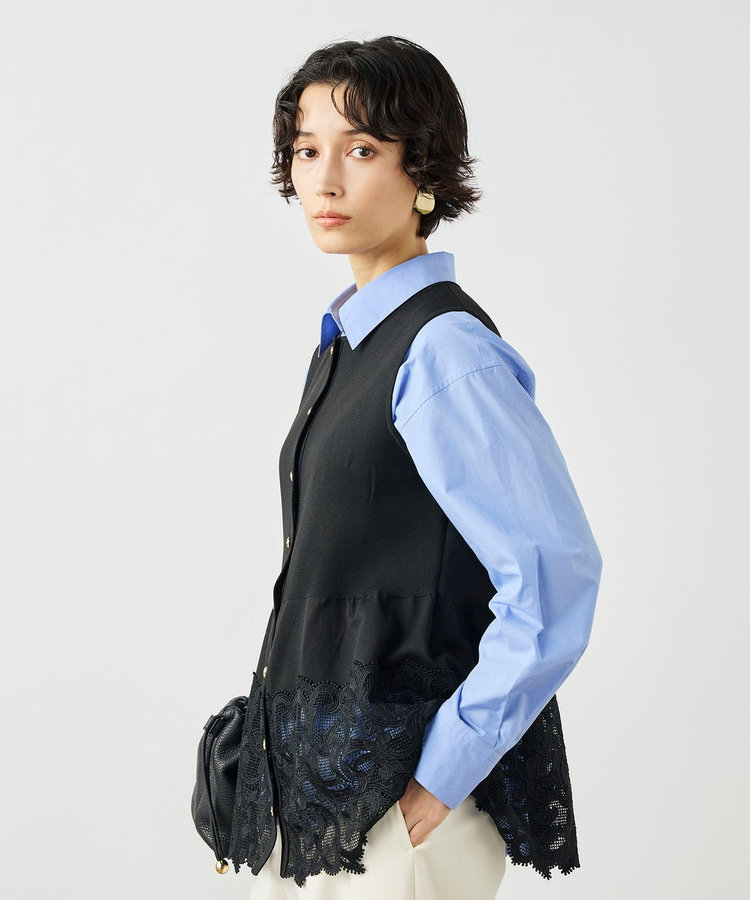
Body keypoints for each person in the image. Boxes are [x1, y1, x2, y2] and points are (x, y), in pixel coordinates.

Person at [227, 35, 603, 900]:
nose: (325, 180)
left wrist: (440, 776)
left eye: (361, 150)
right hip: (324, 798)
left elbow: (555, 576)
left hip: (399, 818)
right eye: (307, 150)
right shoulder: (350, 341)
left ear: (422, 167)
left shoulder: (443, 351)